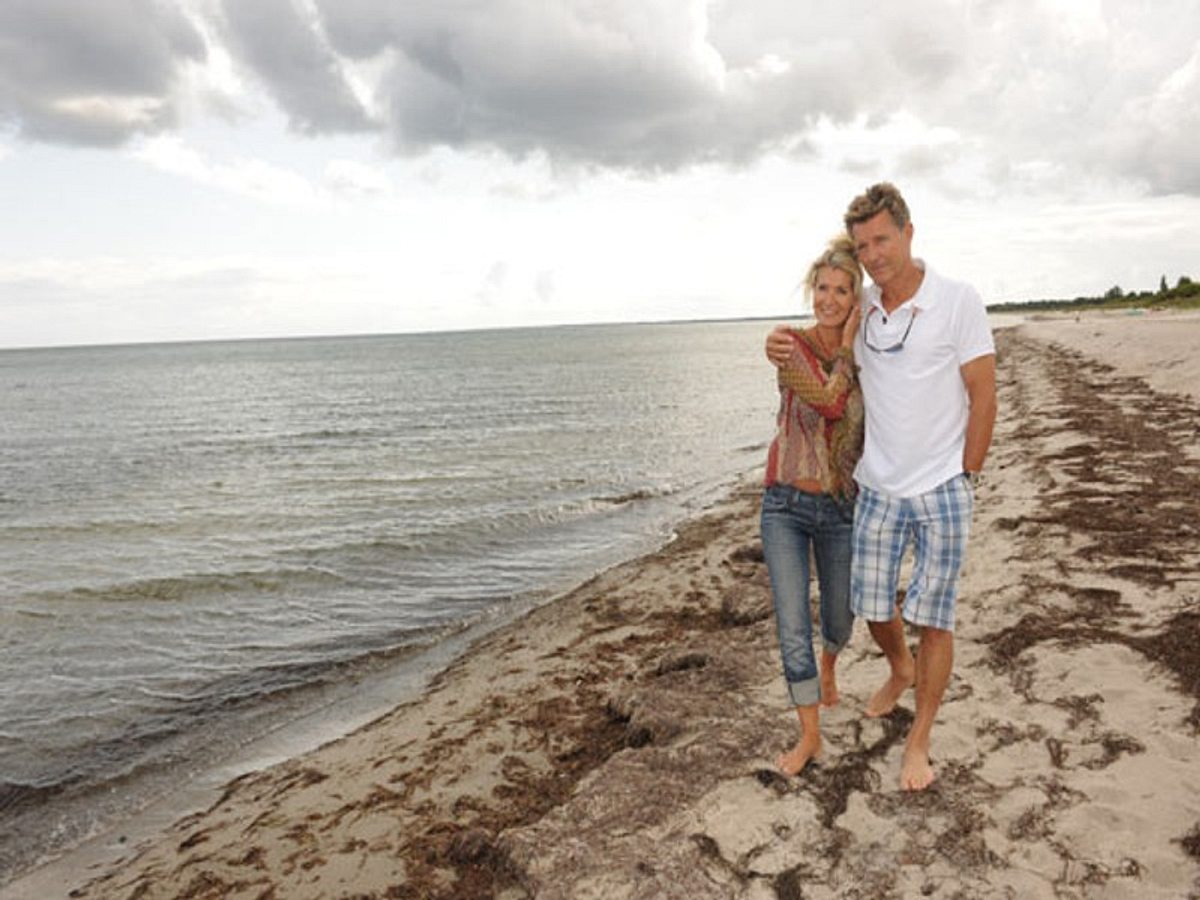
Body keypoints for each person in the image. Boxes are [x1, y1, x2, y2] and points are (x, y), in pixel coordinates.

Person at [766, 183, 997, 791]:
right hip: (876, 488)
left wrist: (966, 474)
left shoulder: (956, 300)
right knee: (873, 606)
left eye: (883, 239)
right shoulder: (864, 310)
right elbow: (824, 345)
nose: (874, 254)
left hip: (944, 484)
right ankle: (900, 668)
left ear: (909, 232)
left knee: (936, 618)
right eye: (863, 245)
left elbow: (984, 393)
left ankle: (918, 742)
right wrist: (778, 341)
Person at [760, 235, 864, 776]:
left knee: (841, 617)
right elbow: (829, 400)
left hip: (842, 508)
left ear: (855, 299)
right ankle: (809, 737)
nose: (828, 298)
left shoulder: (866, 352)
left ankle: (831, 664)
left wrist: (852, 345)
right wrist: (845, 346)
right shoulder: (790, 346)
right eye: (822, 288)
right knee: (792, 624)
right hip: (785, 505)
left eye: (841, 291)